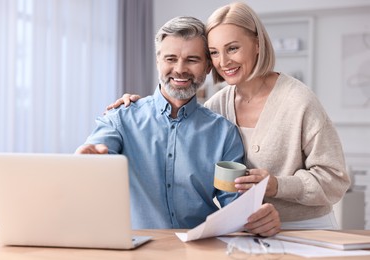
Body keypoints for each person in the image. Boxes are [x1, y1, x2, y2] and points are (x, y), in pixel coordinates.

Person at [107, 2, 351, 230]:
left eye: (232, 48)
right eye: (214, 52)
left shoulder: (298, 100)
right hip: (250, 228)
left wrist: (277, 185)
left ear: (257, 44)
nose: (223, 62)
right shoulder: (217, 105)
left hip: (307, 227)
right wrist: (137, 105)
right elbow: (181, 115)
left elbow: (335, 179)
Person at [76, 16, 281, 236]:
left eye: (192, 59)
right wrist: (90, 161)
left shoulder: (224, 133)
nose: (180, 69)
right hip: (135, 247)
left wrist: (258, 218)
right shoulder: (121, 118)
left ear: (208, 67)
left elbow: (234, 204)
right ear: (158, 61)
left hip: (199, 247)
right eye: (170, 59)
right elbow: (96, 153)